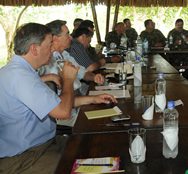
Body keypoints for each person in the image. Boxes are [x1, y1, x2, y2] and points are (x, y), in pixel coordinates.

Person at [0, 23, 117, 173]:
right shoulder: (21, 77)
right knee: (92, 168)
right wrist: (67, 79)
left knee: (97, 148)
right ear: (34, 49)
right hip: (25, 157)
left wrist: (93, 99)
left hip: (46, 143)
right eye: (49, 45)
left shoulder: (25, 72)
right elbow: (63, 112)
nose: (53, 49)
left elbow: (56, 103)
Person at [40, 20, 112, 126]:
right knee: (104, 122)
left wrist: (94, 76)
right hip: (66, 113)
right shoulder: (45, 61)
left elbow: (83, 72)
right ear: (55, 38)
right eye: (67, 34)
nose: (71, 37)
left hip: (78, 102)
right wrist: (49, 77)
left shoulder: (65, 55)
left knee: (110, 112)